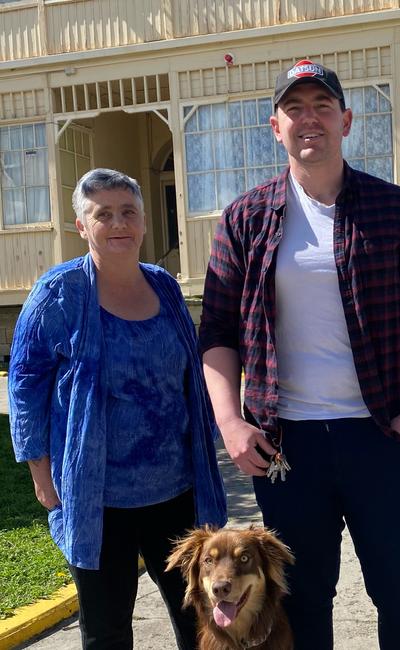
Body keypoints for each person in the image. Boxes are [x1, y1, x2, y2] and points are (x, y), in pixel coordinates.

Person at [199, 59, 400, 649]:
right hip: (288, 448)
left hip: (383, 436)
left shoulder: (394, 208)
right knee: (303, 597)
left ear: (346, 121)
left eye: (322, 106)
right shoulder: (245, 218)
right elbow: (216, 331)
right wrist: (230, 422)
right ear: (275, 126)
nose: (308, 118)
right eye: (295, 108)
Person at [9, 168, 227, 650]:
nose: (118, 223)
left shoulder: (164, 287)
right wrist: (40, 471)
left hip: (176, 491)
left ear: (144, 221)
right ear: (82, 226)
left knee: (199, 620)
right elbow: (25, 384)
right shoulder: (58, 294)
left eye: (127, 211)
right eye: (102, 214)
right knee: (107, 629)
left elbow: (188, 373)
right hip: (97, 497)